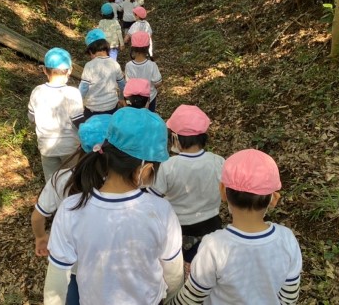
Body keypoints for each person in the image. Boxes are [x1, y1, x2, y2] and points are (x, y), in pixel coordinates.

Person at [43, 107, 184, 305]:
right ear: (145, 169)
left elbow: (56, 284)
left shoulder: (70, 208)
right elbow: (174, 274)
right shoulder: (161, 211)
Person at [171, 149, 302, 305]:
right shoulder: (287, 239)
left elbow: (192, 298)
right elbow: (290, 297)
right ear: (274, 199)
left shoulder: (213, 245)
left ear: (223, 192)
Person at [31, 114, 112, 305]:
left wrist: (41, 237)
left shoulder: (61, 178)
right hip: (109, 268)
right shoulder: (120, 185)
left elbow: (37, 217)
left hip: (72, 266)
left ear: (80, 143)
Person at [149, 105, 224, 268]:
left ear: (175, 138)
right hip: (212, 227)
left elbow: (152, 197)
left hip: (178, 231)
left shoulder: (168, 166)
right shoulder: (218, 162)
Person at [28, 48, 84, 182]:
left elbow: (31, 118)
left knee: (51, 182)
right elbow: (79, 122)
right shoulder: (73, 93)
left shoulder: (37, 91)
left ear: (44, 70)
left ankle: (53, 201)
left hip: (47, 147)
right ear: (70, 70)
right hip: (70, 147)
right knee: (71, 181)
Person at [78, 29, 126, 119]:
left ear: (91, 51)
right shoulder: (114, 64)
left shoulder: (89, 65)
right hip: (111, 106)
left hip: (92, 109)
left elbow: (83, 88)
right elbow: (122, 84)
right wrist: (121, 98)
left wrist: (78, 103)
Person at [124, 32, 162, 112]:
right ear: (148, 47)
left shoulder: (129, 65)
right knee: (149, 117)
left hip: (134, 99)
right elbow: (158, 83)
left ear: (132, 48)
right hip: (149, 97)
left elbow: (128, 82)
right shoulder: (152, 65)